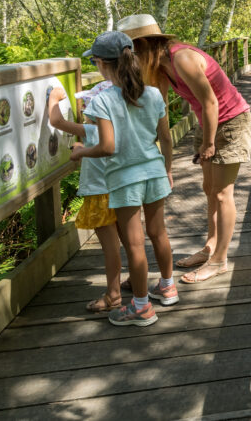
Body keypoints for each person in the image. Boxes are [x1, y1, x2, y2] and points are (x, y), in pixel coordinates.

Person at [116, 13, 251, 284]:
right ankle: (210, 247)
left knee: (224, 193)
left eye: (131, 49)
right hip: (208, 124)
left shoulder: (182, 58)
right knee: (209, 190)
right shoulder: (160, 65)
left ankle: (219, 261)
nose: (130, 56)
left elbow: (210, 101)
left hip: (231, 122)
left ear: (143, 43)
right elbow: (159, 105)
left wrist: (209, 143)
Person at [72, 30, 177, 326]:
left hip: (125, 178)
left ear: (102, 64)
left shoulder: (103, 100)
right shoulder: (154, 93)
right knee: (159, 233)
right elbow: (165, 139)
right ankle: (168, 287)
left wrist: (80, 153)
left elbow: (107, 147)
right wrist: (167, 169)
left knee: (133, 244)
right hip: (155, 171)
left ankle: (141, 307)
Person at [47, 80, 121, 313]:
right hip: (119, 190)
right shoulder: (120, 127)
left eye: (87, 106)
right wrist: (81, 148)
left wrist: (53, 98)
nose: (83, 111)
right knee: (125, 242)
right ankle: (131, 285)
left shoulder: (92, 130)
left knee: (110, 248)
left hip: (99, 196)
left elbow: (56, 121)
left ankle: (113, 295)